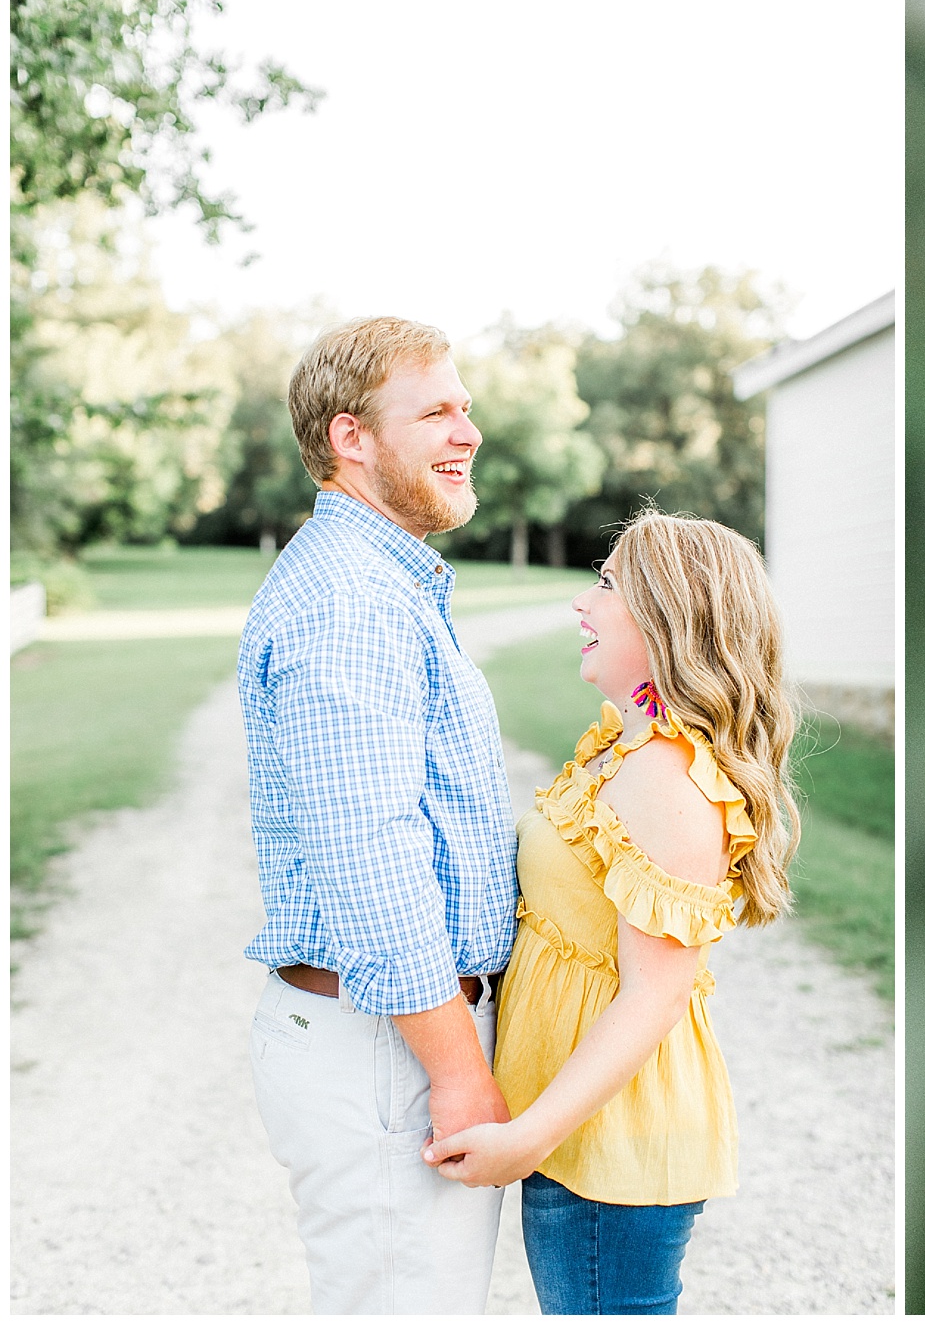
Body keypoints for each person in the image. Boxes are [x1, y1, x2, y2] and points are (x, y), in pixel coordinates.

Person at [422, 511, 800, 1315]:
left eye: (606, 584)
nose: (581, 603)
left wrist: (525, 1140)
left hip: (608, 1142)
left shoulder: (668, 780)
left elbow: (654, 997)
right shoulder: (627, 747)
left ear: (669, 619)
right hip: (579, 1127)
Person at [239, 316, 517, 1313]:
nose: (468, 431)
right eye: (436, 411)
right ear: (351, 437)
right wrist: (457, 1067)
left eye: (466, 408)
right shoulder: (349, 601)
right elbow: (370, 855)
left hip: (392, 1042)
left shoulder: (380, 583)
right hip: (387, 1052)